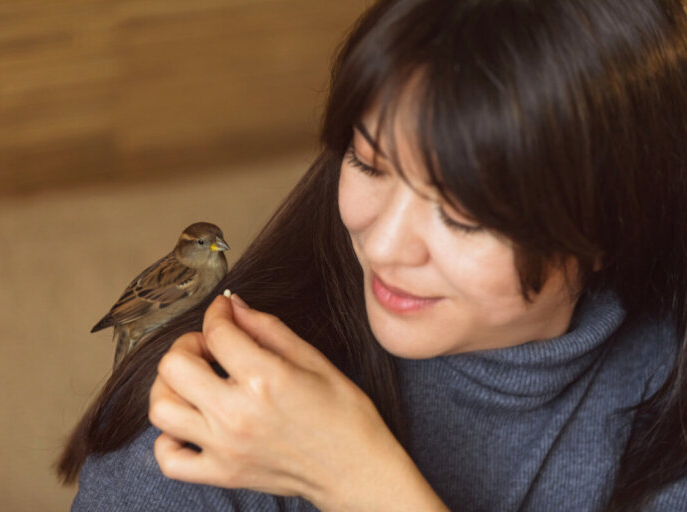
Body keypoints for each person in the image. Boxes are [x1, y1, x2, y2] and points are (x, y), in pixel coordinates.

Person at [58, 0, 687, 510]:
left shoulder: (668, 389)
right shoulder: (201, 424)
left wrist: (357, 478)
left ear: (609, 226)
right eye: (367, 163)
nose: (382, 246)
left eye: (463, 214)